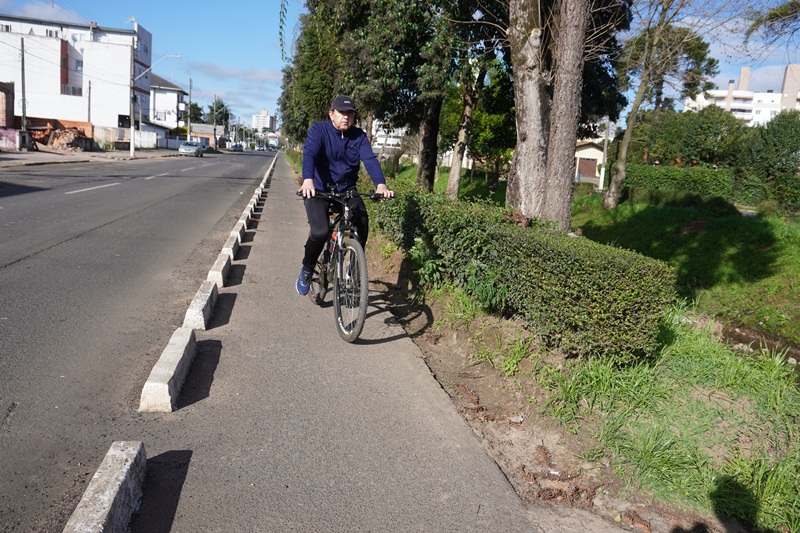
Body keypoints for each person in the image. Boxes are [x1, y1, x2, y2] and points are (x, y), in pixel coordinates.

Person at [296, 94, 394, 295]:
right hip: (318, 189)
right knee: (320, 231)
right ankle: (307, 269)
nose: (346, 117)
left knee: (362, 221)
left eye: (350, 113)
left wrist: (381, 185)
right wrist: (308, 180)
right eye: (342, 112)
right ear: (331, 114)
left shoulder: (359, 136)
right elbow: (310, 154)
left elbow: (370, 160)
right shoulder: (319, 130)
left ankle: (353, 266)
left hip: (346, 190)